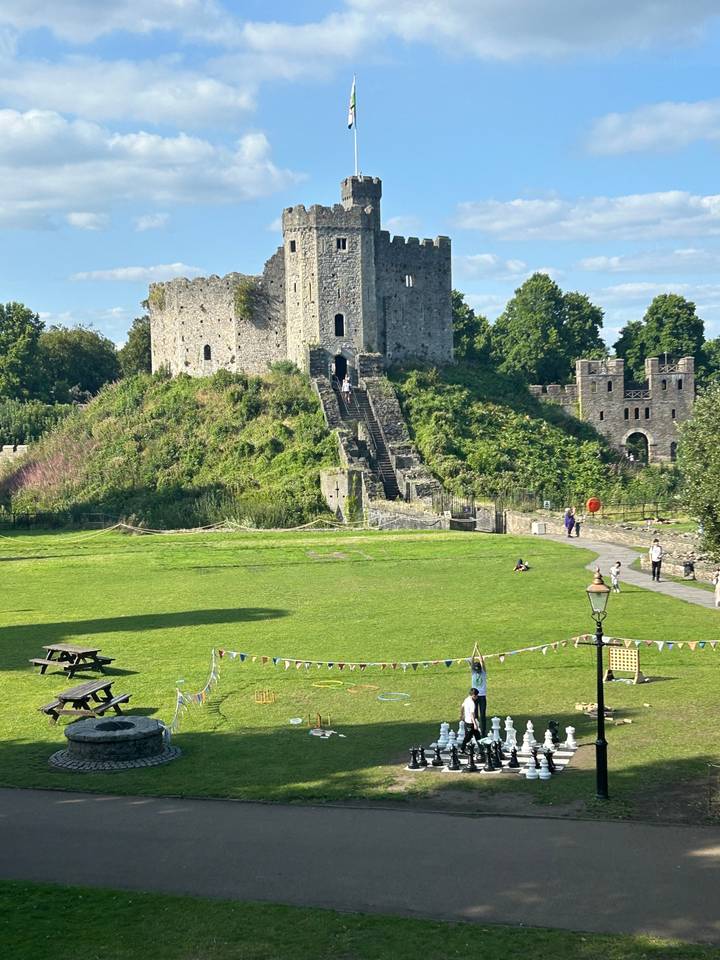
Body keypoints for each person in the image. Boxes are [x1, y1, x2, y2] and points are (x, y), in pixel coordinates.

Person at [470, 654, 487, 737]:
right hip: (474, 696)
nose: (478, 671)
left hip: (482, 696)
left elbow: (482, 661)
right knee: (475, 715)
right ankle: (476, 731)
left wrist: (478, 650)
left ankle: (483, 732)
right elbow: (472, 660)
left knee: (483, 715)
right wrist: (474, 649)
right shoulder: (473, 673)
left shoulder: (483, 673)